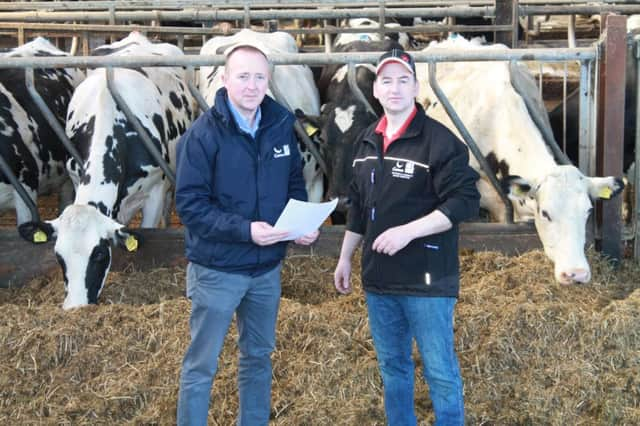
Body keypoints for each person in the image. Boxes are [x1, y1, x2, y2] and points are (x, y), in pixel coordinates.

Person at [333, 49, 480, 426]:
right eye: (387, 81)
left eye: (403, 80)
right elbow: (359, 208)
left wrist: (408, 232)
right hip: (379, 280)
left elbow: (465, 201)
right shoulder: (366, 142)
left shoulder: (441, 142)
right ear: (376, 91)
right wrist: (346, 257)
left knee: (440, 371)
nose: (395, 88)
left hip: (428, 280)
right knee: (393, 367)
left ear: (416, 87)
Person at [175, 43, 319, 426]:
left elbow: (294, 184)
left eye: (259, 77)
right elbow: (189, 205)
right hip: (218, 269)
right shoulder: (203, 136)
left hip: (266, 270)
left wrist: (299, 226)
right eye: (243, 76)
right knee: (202, 362)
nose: (252, 86)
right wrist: (244, 230)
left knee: (258, 356)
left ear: (268, 80)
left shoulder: (280, 127)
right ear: (224, 80)